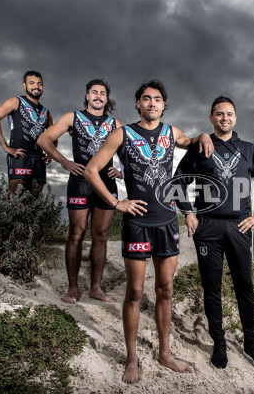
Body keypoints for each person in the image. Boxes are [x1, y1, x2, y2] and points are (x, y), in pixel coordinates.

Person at [83, 79, 213, 383]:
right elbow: (91, 170)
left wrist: (204, 133)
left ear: (164, 105)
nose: (152, 103)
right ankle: (132, 358)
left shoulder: (171, 132)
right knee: (136, 292)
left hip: (167, 222)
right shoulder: (122, 133)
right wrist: (117, 203)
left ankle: (164, 353)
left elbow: (193, 140)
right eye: (146, 98)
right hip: (137, 223)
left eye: (157, 99)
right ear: (138, 104)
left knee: (165, 290)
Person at [174, 96, 254, 370]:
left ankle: (251, 343)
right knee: (212, 288)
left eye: (229, 114)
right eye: (219, 114)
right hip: (208, 226)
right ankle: (218, 342)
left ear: (235, 118)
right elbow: (180, 180)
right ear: (211, 118)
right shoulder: (201, 147)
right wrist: (189, 212)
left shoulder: (249, 150)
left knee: (245, 287)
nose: (224, 118)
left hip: (241, 226)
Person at [37, 79, 122, 304]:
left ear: (106, 98)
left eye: (102, 93)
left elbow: (128, 152)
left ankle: (96, 287)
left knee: (101, 236)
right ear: (87, 96)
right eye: (94, 92)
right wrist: (65, 162)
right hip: (80, 181)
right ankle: (73, 288)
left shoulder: (115, 123)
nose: (98, 96)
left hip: (106, 183)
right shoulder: (72, 118)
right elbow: (43, 139)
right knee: (76, 233)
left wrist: (121, 170)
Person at [0, 70, 53, 195]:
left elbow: (53, 134)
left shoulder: (46, 112)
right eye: (32, 83)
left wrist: (51, 153)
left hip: (38, 159)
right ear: (24, 85)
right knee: (16, 197)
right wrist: (5, 147)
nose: (36, 86)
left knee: (35, 199)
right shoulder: (16, 101)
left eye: (39, 84)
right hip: (20, 155)